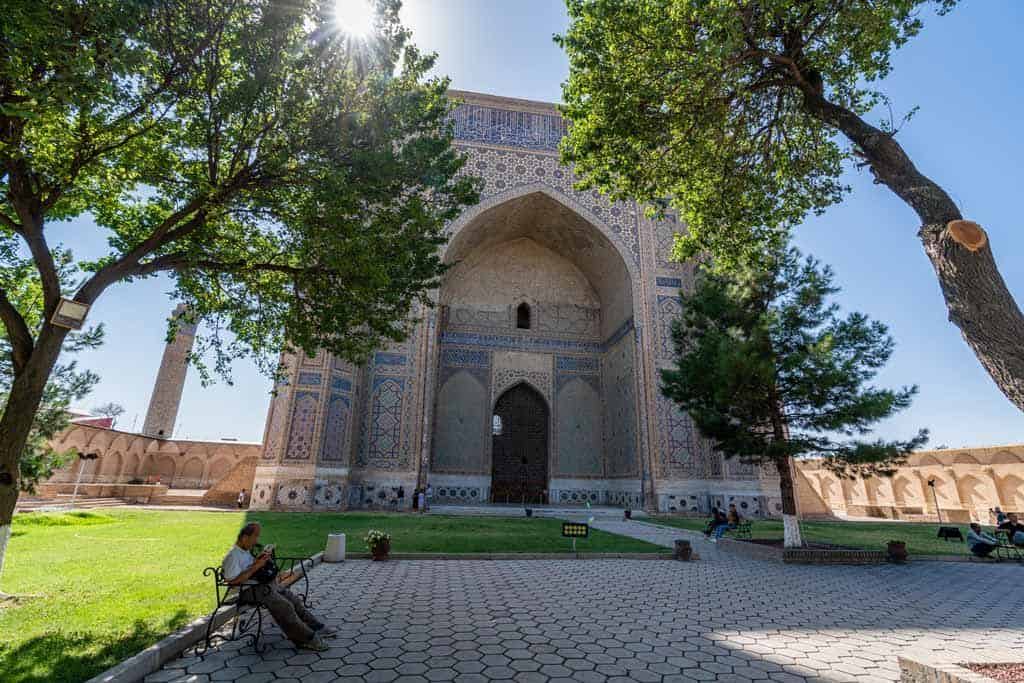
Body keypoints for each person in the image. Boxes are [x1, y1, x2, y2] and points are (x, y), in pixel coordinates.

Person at [222, 522, 335, 651]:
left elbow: (249, 568)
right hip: (247, 591)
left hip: (260, 586)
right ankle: (306, 639)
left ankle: (315, 626)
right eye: (255, 537)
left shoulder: (245, 551)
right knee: (284, 606)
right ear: (244, 537)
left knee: (292, 599)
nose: (256, 541)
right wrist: (256, 566)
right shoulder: (232, 556)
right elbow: (233, 582)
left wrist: (260, 559)